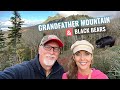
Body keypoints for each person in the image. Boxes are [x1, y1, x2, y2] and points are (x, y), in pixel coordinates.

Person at [0, 35, 65, 79]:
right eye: (47, 47)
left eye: (56, 48)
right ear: (39, 49)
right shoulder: (24, 70)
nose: (51, 52)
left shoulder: (61, 72)